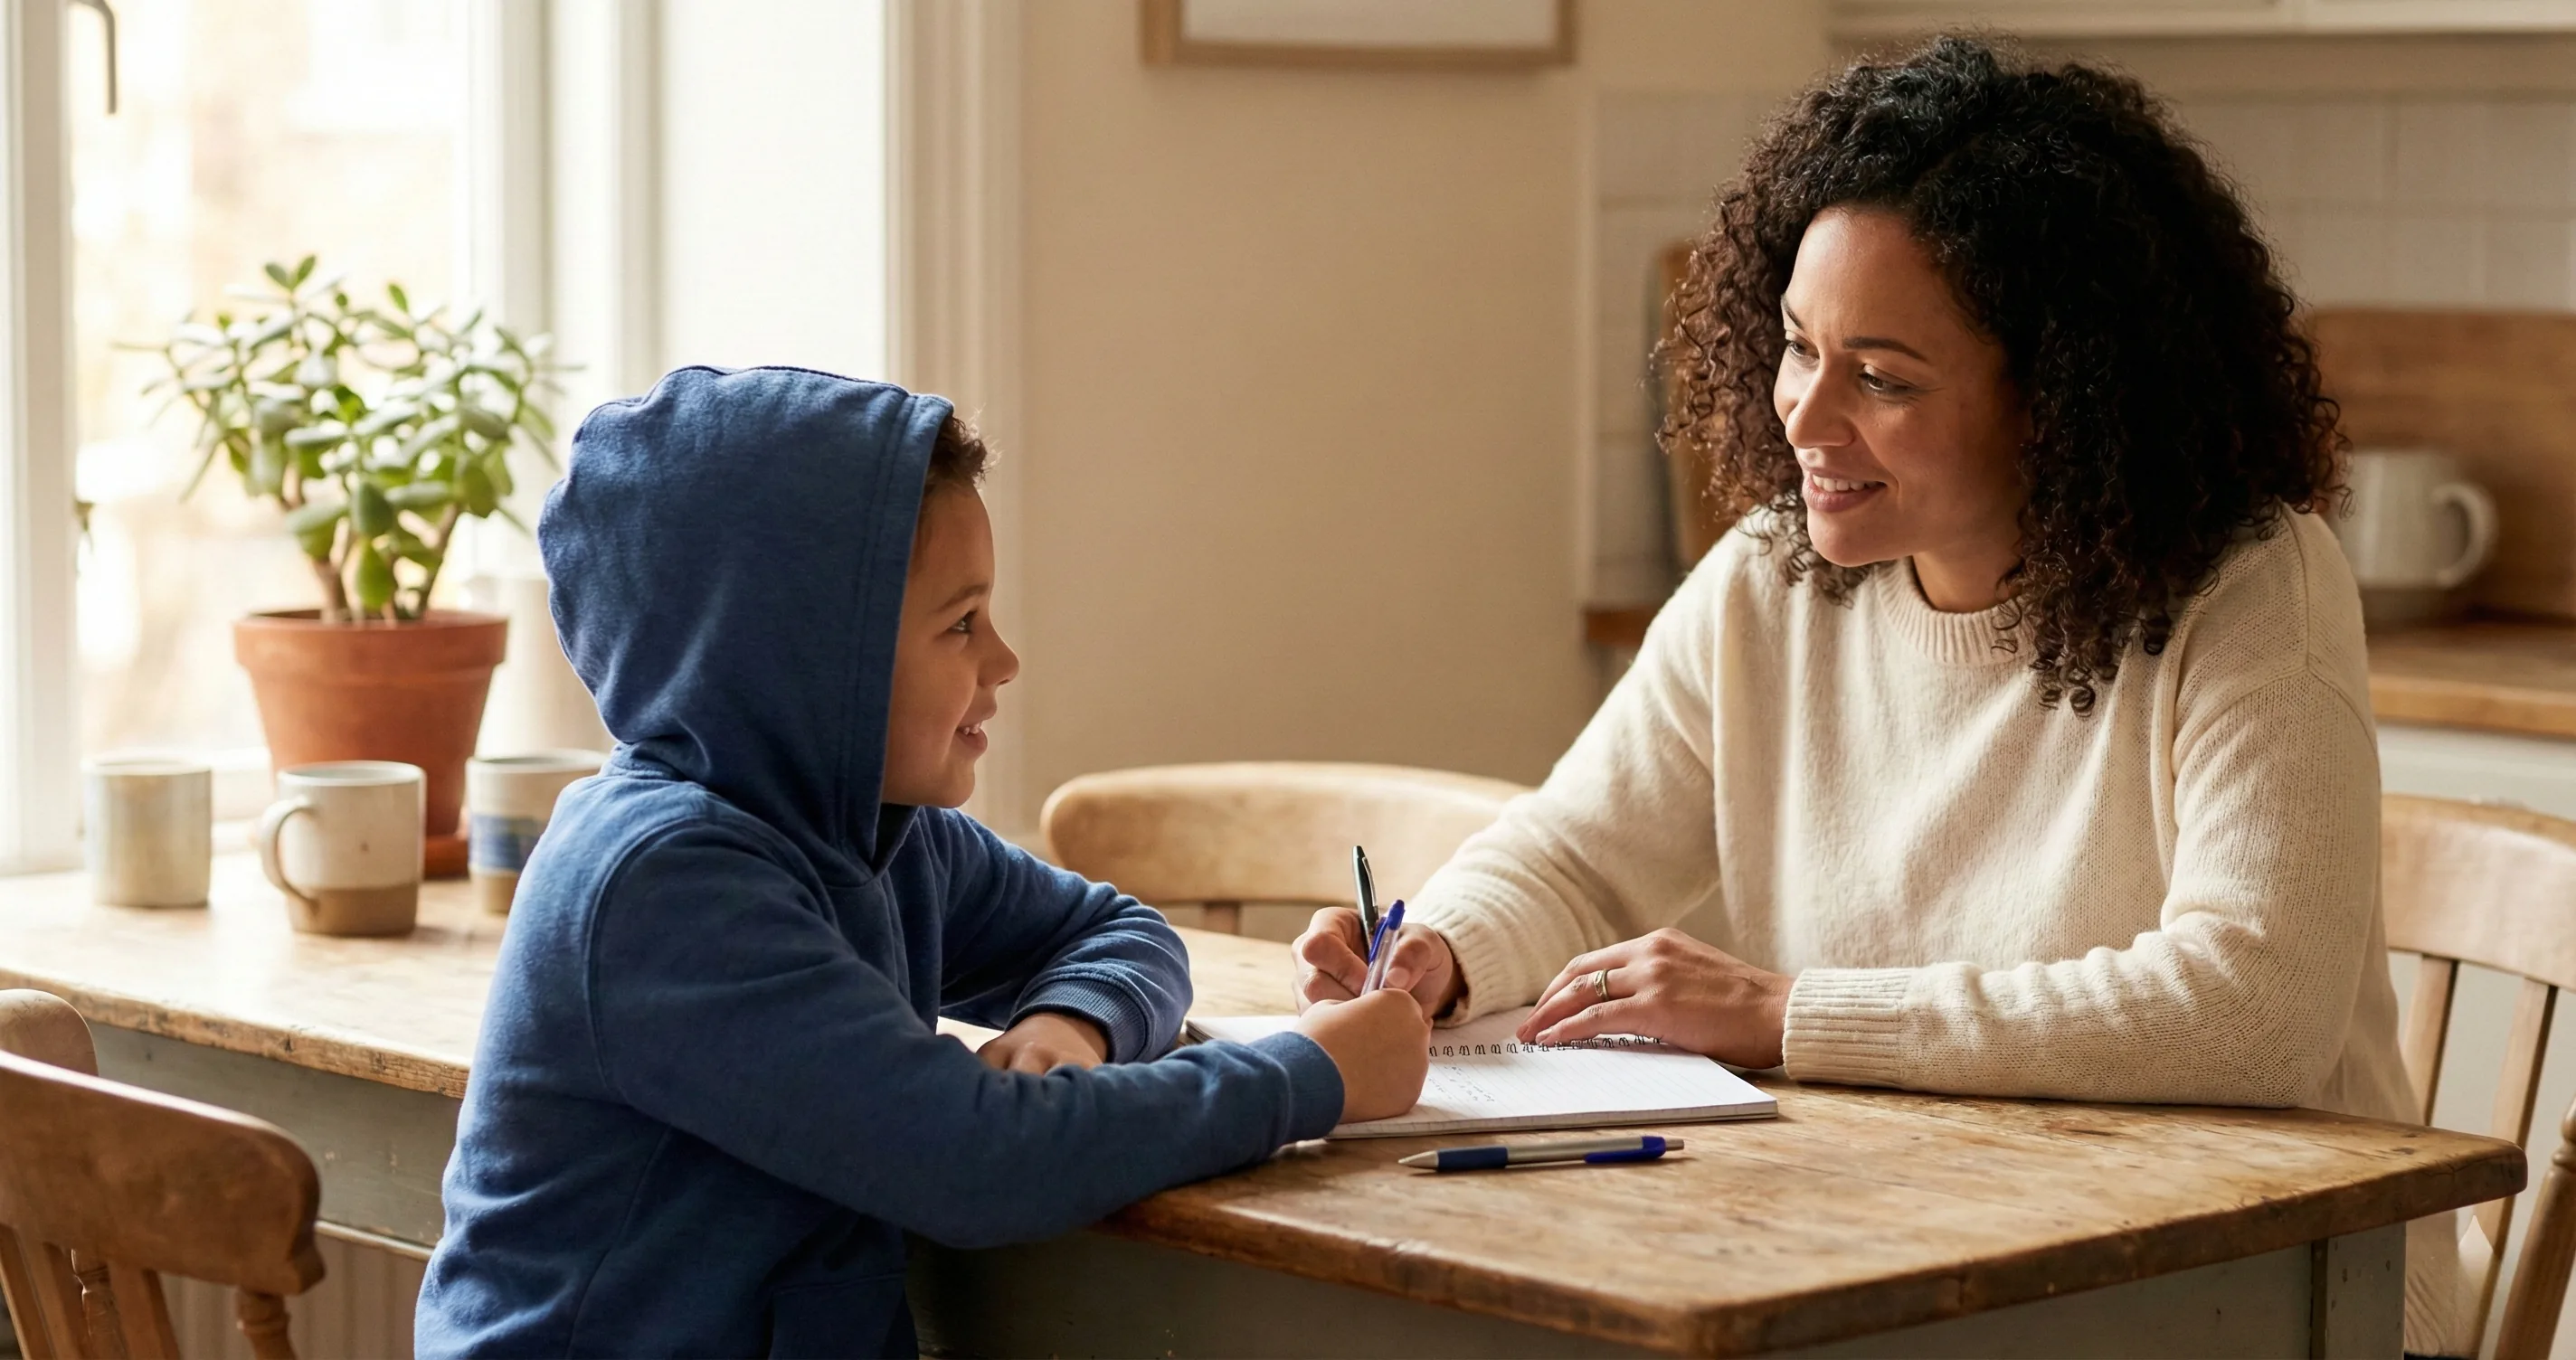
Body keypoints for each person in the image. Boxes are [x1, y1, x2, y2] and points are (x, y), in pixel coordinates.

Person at [1293, 36, 2470, 1356]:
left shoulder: (2248, 589)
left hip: (2287, 1289)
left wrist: (1786, 1014)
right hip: (1945, 1249)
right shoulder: (1774, 582)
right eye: (1799, 347)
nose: (1804, 416)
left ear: (2062, 403)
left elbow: (2252, 1009)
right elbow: (1577, 849)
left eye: (1884, 378)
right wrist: (1439, 951)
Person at [416, 366, 1427, 1359]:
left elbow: (1115, 929)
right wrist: (1314, 1072)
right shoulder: (661, 882)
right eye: (960, 623)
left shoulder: (877, 825)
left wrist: (1068, 1025)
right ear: (808, 666)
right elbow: (978, 1160)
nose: (1003, 660)